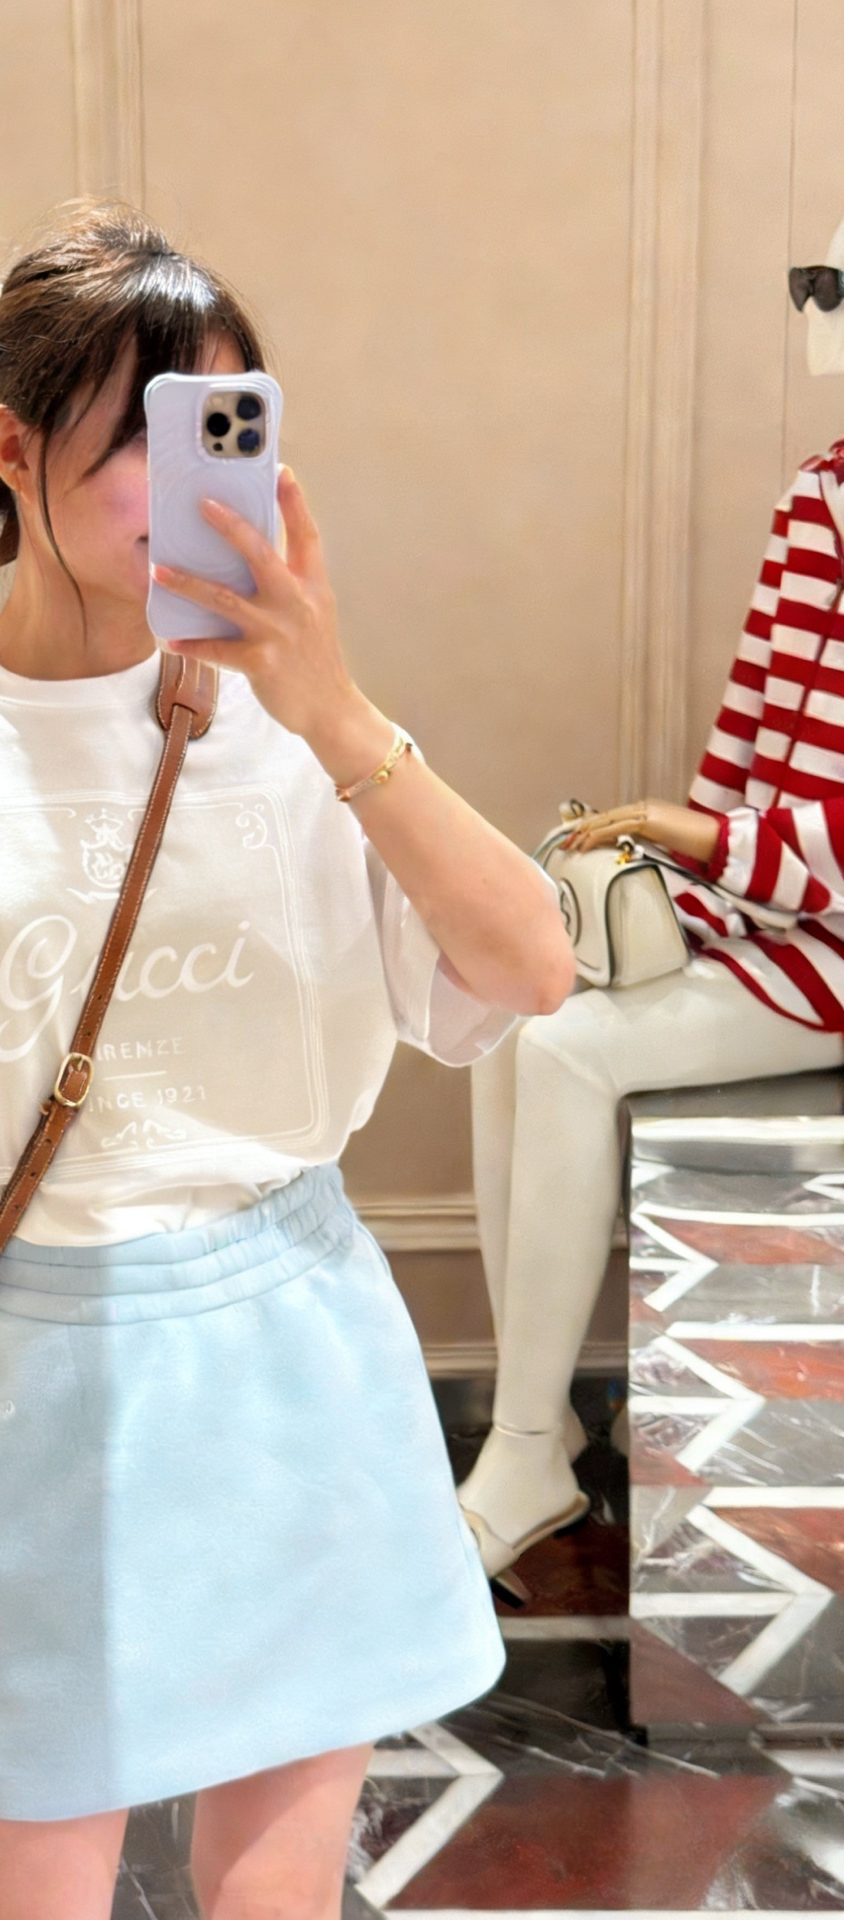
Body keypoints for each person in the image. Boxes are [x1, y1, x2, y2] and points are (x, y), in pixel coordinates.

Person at [0, 202, 572, 1920]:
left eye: (222, 428)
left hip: (303, 1352)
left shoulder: (299, 727)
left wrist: (333, 708)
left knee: (275, 1889)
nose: (188, 480)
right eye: (141, 439)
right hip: (41, 1384)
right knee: (28, 1880)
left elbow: (530, 969)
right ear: (10, 449)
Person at [461, 222, 844, 1587]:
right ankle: (540, 1420)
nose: (819, 312)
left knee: (567, 1048)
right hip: (778, 900)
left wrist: (712, 845)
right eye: (814, 284)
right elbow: (752, 728)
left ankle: (525, 1448)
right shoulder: (822, 489)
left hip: (831, 934)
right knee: (514, 1010)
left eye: (835, 288)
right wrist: (688, 871)